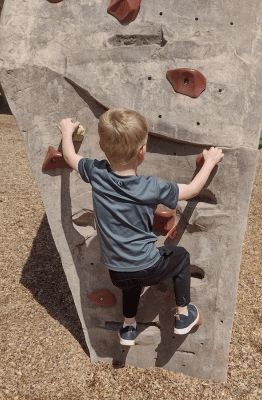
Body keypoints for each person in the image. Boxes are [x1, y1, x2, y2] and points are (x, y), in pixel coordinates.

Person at [59, 109, 224, 346]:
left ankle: (128, 327)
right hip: (149, 267)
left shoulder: (96, 173)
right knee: (181, 257)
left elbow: (70, 156)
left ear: (102, 146)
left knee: (131, 285)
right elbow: (191, 190)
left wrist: (67, 132)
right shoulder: (150, 186)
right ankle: (184, 313)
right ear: (142, 152)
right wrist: (209, 162)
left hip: (116, 272)